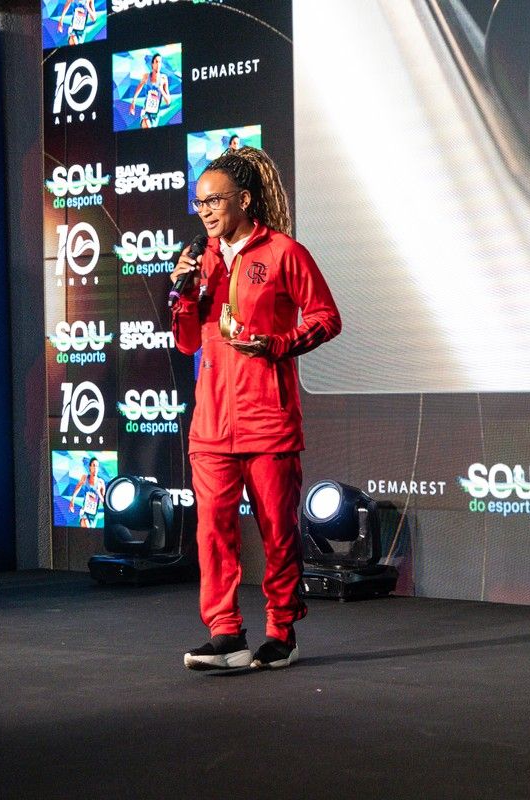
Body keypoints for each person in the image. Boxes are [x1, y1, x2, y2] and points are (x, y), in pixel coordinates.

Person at [170, 147, 341, 671]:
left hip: (268, 420)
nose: (204, 211)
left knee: (277, 533)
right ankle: (226, 635)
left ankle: (281, 632)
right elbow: (186, 342)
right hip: (211, 426)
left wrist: (278, 343)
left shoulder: (284, 252)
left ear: (243, 200)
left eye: (214, 200)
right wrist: (183, 293)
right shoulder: (200, 260)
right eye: (198, 202)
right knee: (213, 534)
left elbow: (326, 317)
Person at [128, 53, 172, 129]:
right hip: (145, 112)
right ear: (152, 64)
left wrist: (161, 90)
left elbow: (168, 101)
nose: (158, 64)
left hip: (155, 115)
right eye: (156, 62)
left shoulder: (164, 78)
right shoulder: (146, 76)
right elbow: (139, 87)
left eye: (160, 62)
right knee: (147, 125)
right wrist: (133, 102)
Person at [68, 456, 106, 528]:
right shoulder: (85, 478)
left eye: (97, 466)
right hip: (84, 512)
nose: (95, 468)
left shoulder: (101, 482)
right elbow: (77, 488)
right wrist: (72, 500)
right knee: (85, 524)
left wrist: (98, 493)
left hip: (94, 515)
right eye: (93, 465)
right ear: (90, 467)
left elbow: (104, 503)